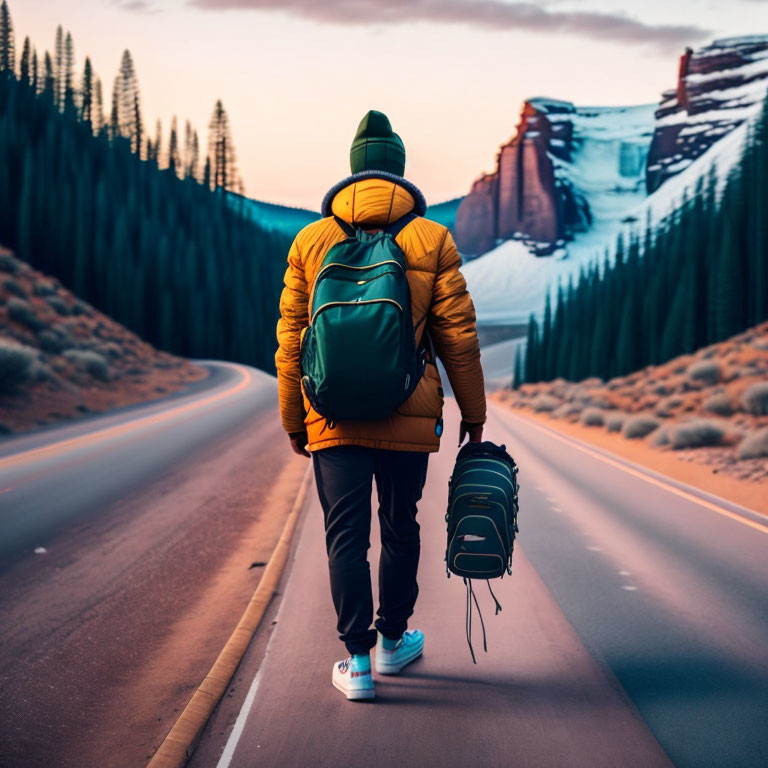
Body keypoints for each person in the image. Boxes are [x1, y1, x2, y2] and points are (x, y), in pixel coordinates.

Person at [275, 110, 486, 701]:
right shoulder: (432, 238)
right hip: (407, 413)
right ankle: (394, 643)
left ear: (351, 172)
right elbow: (458, 337)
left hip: (331, 415)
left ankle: (358, 665)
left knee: (345, 534)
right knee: (399, 526)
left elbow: (292, 342)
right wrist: (474, 412)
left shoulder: (310, 242)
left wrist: (295, 418)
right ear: (398, 172)